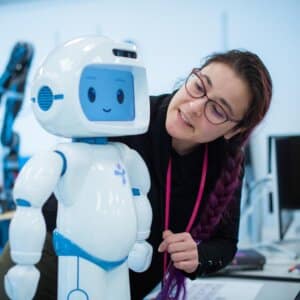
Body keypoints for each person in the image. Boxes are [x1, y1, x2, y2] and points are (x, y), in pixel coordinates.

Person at [0, 49, 272, 300]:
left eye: (217, 109)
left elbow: (226, 244)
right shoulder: (126, 117)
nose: (193, 107)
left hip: (128, 286)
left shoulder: (226, 162)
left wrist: (199, 256)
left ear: (234, 130)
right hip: (51, 259)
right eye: (199, 86)